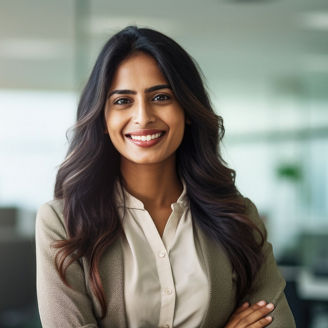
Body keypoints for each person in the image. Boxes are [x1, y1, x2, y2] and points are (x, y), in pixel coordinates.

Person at [35, 26, 296, 328]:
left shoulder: (237, 215)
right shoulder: (62, 223)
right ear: (103, 119)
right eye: (122, 101)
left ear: (186, 109)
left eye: (161, 97)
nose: (143, 117)